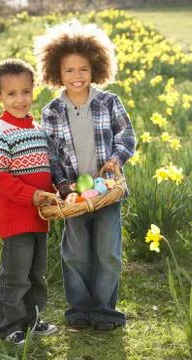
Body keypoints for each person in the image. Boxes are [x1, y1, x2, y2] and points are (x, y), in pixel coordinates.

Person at [34, 20, 136, 330]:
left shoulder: (109, 102)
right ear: (56, 73)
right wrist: (63, 187)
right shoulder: (52, 111)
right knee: (76, 254)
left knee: (108, 252)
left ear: (96, 69)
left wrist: (117, 160)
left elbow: (127, 136)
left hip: (107, 191)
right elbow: (50, 154)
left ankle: (105, 310)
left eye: (83, 69)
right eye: (69, 70)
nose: (76, 76)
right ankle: (78, 309)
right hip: (74, 197)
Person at [0, 58, 57, 345]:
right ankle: (8, 326)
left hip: (40, 216)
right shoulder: (1, 131)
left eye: (25, 91)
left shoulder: (37, 129)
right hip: (16, 218)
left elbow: (45, 171)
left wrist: (56, 193)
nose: (20, 99)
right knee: (16, 275)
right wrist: (31, 196)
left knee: (36, 274)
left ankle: (33, 319)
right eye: (12, 94)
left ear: (33, 91)